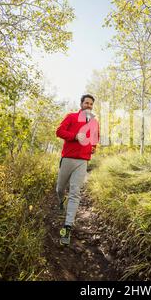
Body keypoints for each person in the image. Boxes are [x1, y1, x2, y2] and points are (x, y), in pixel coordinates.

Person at [55, 94, 99, 246]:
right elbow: (59, 132)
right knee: (60, 189)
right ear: (81, 104)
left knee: (75, 193)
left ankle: (67, 228)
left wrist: (93, 147)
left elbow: (95, 139)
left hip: (83, 161)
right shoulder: (71, 117)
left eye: (91, 104)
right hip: (67, 158)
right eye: (86, 103)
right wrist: (75, 136)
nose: (89, 105)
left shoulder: (94, 122)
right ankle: (61, 201)